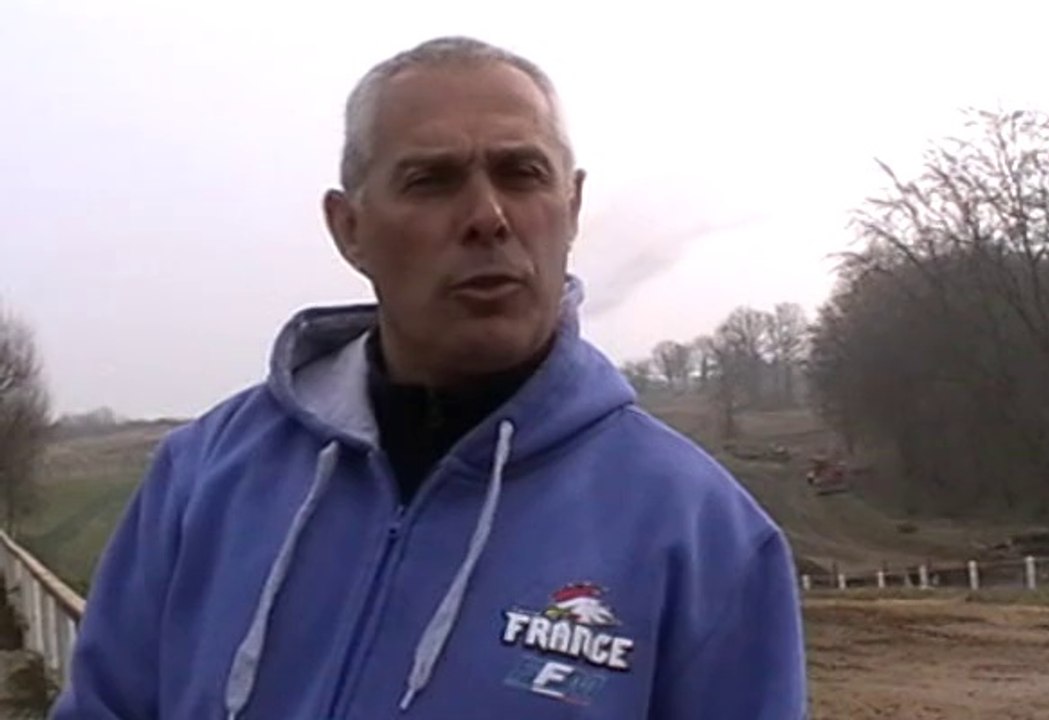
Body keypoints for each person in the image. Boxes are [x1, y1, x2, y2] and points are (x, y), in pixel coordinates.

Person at [52, 36, 807, 719]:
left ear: (570, 207)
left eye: (521, 173)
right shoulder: (203, 477)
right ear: (349, 228)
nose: (487, 215)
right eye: (432, 180)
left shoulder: (706, 538)